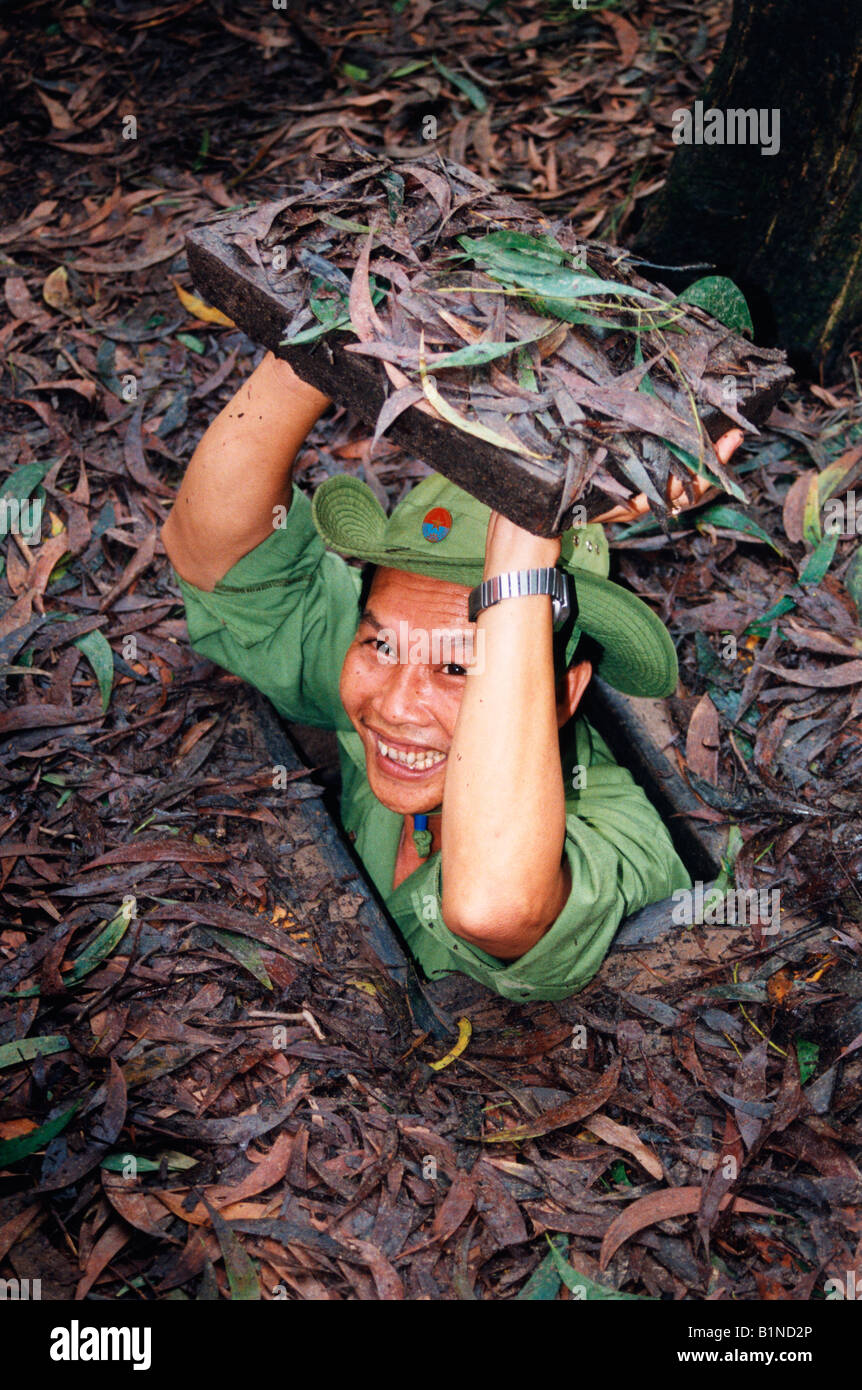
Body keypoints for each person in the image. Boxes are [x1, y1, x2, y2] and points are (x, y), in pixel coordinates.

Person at [161, 350, 743, 1002]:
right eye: (380, 643)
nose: (397, 704)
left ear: (563, 692)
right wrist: (310, 351)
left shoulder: (618, 822)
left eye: (458, 665)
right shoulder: (385, 681)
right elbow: (214, 554)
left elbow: (494, 908)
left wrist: (525, 542)